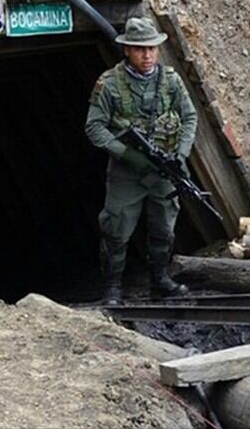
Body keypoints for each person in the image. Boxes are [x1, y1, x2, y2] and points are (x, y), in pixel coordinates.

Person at [85, 17, 198, 305]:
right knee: (116, 229)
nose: (147, 55)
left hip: (164, 170)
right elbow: (95, 128)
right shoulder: (109, 84)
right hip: (127, 172)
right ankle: (112, 288)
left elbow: (189, 117)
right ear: (127, 50)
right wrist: (127, 154)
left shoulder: (170, 81)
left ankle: (160, 279)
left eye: (152, 49)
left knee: (164, 227)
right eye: (139, 49)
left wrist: (180, 155)